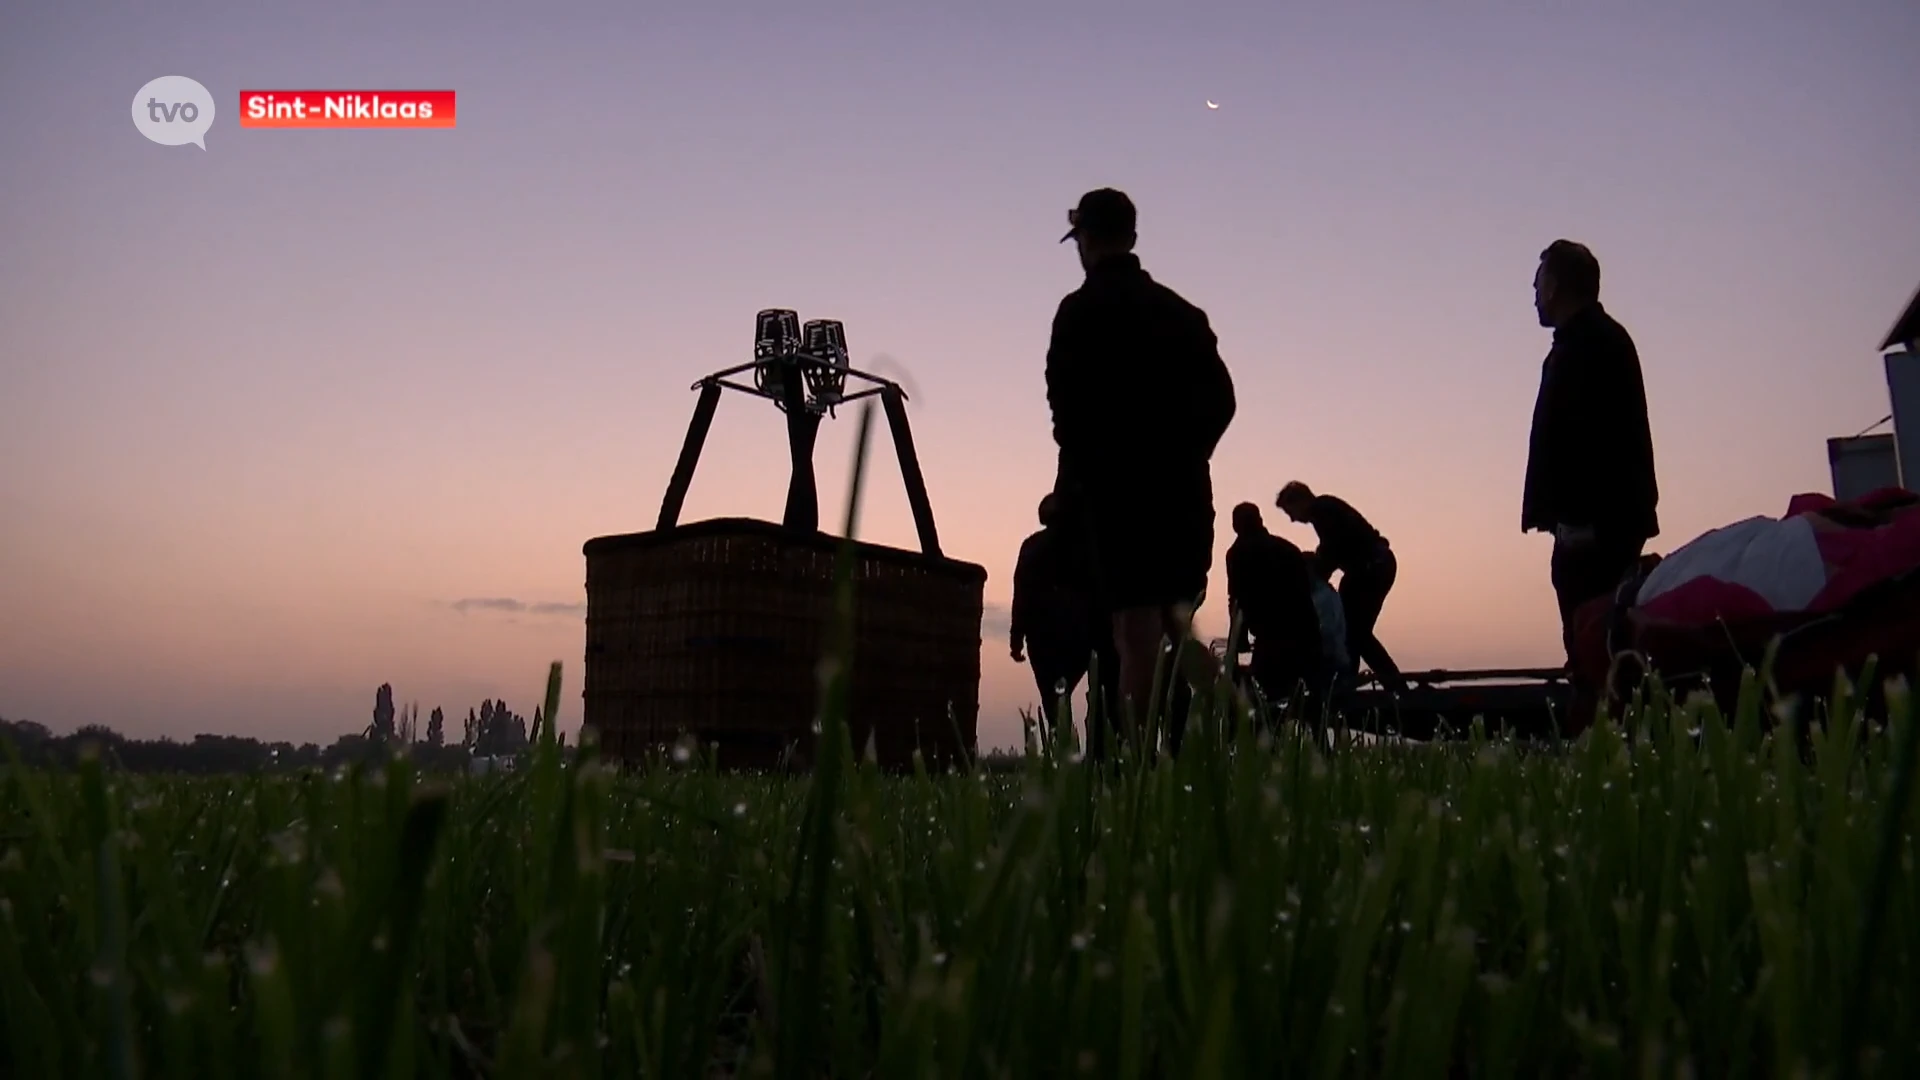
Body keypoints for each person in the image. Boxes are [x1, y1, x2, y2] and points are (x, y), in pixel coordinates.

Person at [1045, 187, 1238, 749]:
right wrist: (1184, 456)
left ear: (1084, 241)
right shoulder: (1183, 314)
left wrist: (1087, 478)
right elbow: (1223, 402)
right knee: (1177, 625)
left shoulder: (1078, 313)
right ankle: (1241, 733)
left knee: (1134, 633)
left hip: (1117, 498)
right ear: (1131, 237)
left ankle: (1138, 775)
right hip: (1182, 497)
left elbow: (1066, 414)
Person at [1520, 240, 1659, 670]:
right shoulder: (1582, 343)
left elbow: (1595, 441)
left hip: (1595, 531)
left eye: (1539, 280)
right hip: (1588, 527)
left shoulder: (1592, 344)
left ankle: (1611, 730)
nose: (1533, 291)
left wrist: (1583, 523)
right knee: (1591, 643)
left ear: (1557, 284)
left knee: (1595, 649)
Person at [1275, 481, 1407, 693]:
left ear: (1301, 501)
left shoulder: (1322, 509)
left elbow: (1332, 549)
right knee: (1350, 631)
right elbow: (1332, 549)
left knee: (1356, 632)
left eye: (1291, 512)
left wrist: (1313, 574)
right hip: (1369, 568)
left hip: (1373, 568)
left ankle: (1393, 685)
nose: (1292, 519)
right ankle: (1348, 680)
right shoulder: (1325, 510)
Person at [1009, 493, 1121, 735]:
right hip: (1080, 633)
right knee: (1096, 695)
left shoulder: (1032, 546)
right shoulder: (1088, 547)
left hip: (1047, 637)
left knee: (1056, 705)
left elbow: (1021, 593)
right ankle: (1096, 752)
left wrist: (1016, 637)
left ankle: (1070, 753)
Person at [1224, 503, 1325, 714]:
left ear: (1236, 526)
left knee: (1266, 708)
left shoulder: (1238, 553)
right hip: (1306, 635)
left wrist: (1236, 644)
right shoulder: (1287, 548)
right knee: (1311, 707)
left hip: (1271, 640)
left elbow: (1236, 601)